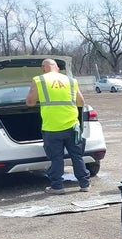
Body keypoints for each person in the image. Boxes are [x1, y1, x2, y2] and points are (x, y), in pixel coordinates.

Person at [25, 58, 90, 194]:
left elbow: (30, 102)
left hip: (52, 127)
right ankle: (84, 184)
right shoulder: (71, 81)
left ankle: (57, 186)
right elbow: (81, 102)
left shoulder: (39, 80)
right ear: (58, 68)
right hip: (73, 126)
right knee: (77, 156)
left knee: (56, 158)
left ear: (43, 68)